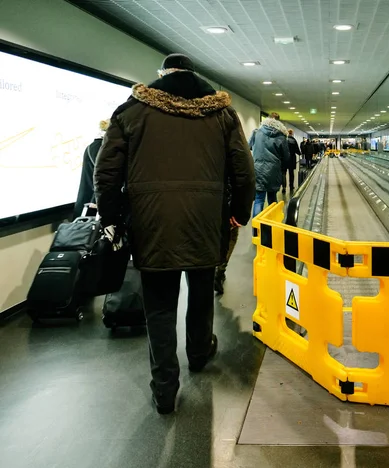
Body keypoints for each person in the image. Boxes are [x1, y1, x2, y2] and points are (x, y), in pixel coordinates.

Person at [94, 53, 255, 415]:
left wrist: (112, 217)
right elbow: (244, 172)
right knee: (201, 292)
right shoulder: (222, 115)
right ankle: (198, 353)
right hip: (205, 219)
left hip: (151, 223)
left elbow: (106, 173)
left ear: (162, 74)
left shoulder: (131, 111)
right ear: (194, 75)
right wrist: (237, 214)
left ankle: (165, 387)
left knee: (160, 306)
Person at [249, 112, 289, 217]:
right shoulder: (281, 136)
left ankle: (256, 230)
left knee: (259, 199)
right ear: (278, 122)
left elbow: (248, 146)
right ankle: (272, 224)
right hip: (274, 170)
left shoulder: (256, 132)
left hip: (258, 168)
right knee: (272, 198)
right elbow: (286, 156)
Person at [73, 119, 109, 218]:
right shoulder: (100, 148)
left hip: (89, 201)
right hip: (92, 206)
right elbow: (102, 178)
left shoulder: (96, 147)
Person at [283, 129, 301, 194]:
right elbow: (297, 150)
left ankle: (284, 187)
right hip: (291, 158)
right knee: (291, 173)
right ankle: (291, 186)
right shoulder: (293, 140)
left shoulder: (284, 140)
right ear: (292, 133)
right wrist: (299, 153)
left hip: (284, 159)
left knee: (283, 173)